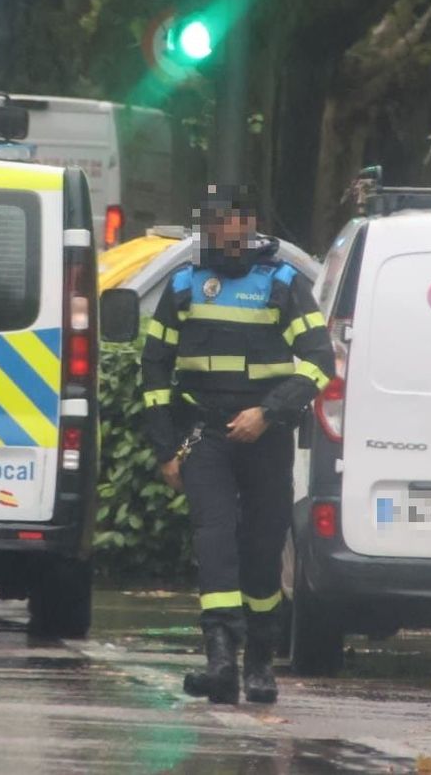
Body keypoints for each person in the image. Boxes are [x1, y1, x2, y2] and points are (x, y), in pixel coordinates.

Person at [139, 183, 334, 705]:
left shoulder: (284, 284)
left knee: (262, 549)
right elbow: (155, 368)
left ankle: (260, 664)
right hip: (205, 437)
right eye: (209, 227)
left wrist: (268, 413)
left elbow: (320, 363)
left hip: (265, 438)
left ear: (246, 226)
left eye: (225, 225)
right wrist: (165, 449)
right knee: (215, 542)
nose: (217, 235)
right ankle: (221, 661)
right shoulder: (184, 286)